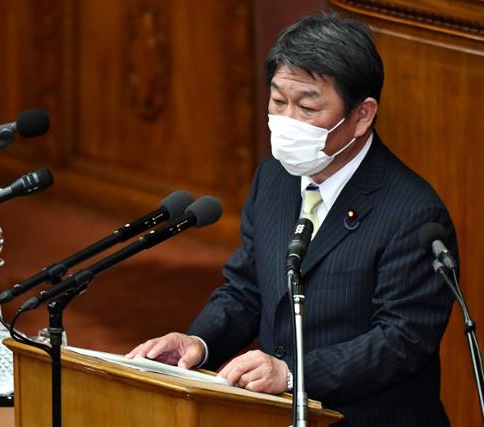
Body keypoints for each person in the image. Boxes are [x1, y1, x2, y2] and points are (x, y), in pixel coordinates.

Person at [127, 11, 457, 427]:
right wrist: (200, 341)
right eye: (278, 101)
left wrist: (292, 375)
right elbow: (247, 289)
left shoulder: (413, 212)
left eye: (306, 106)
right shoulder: (275, 177)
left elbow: (401, 341)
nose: (286, 121)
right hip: (275, 415)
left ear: (362, 115)